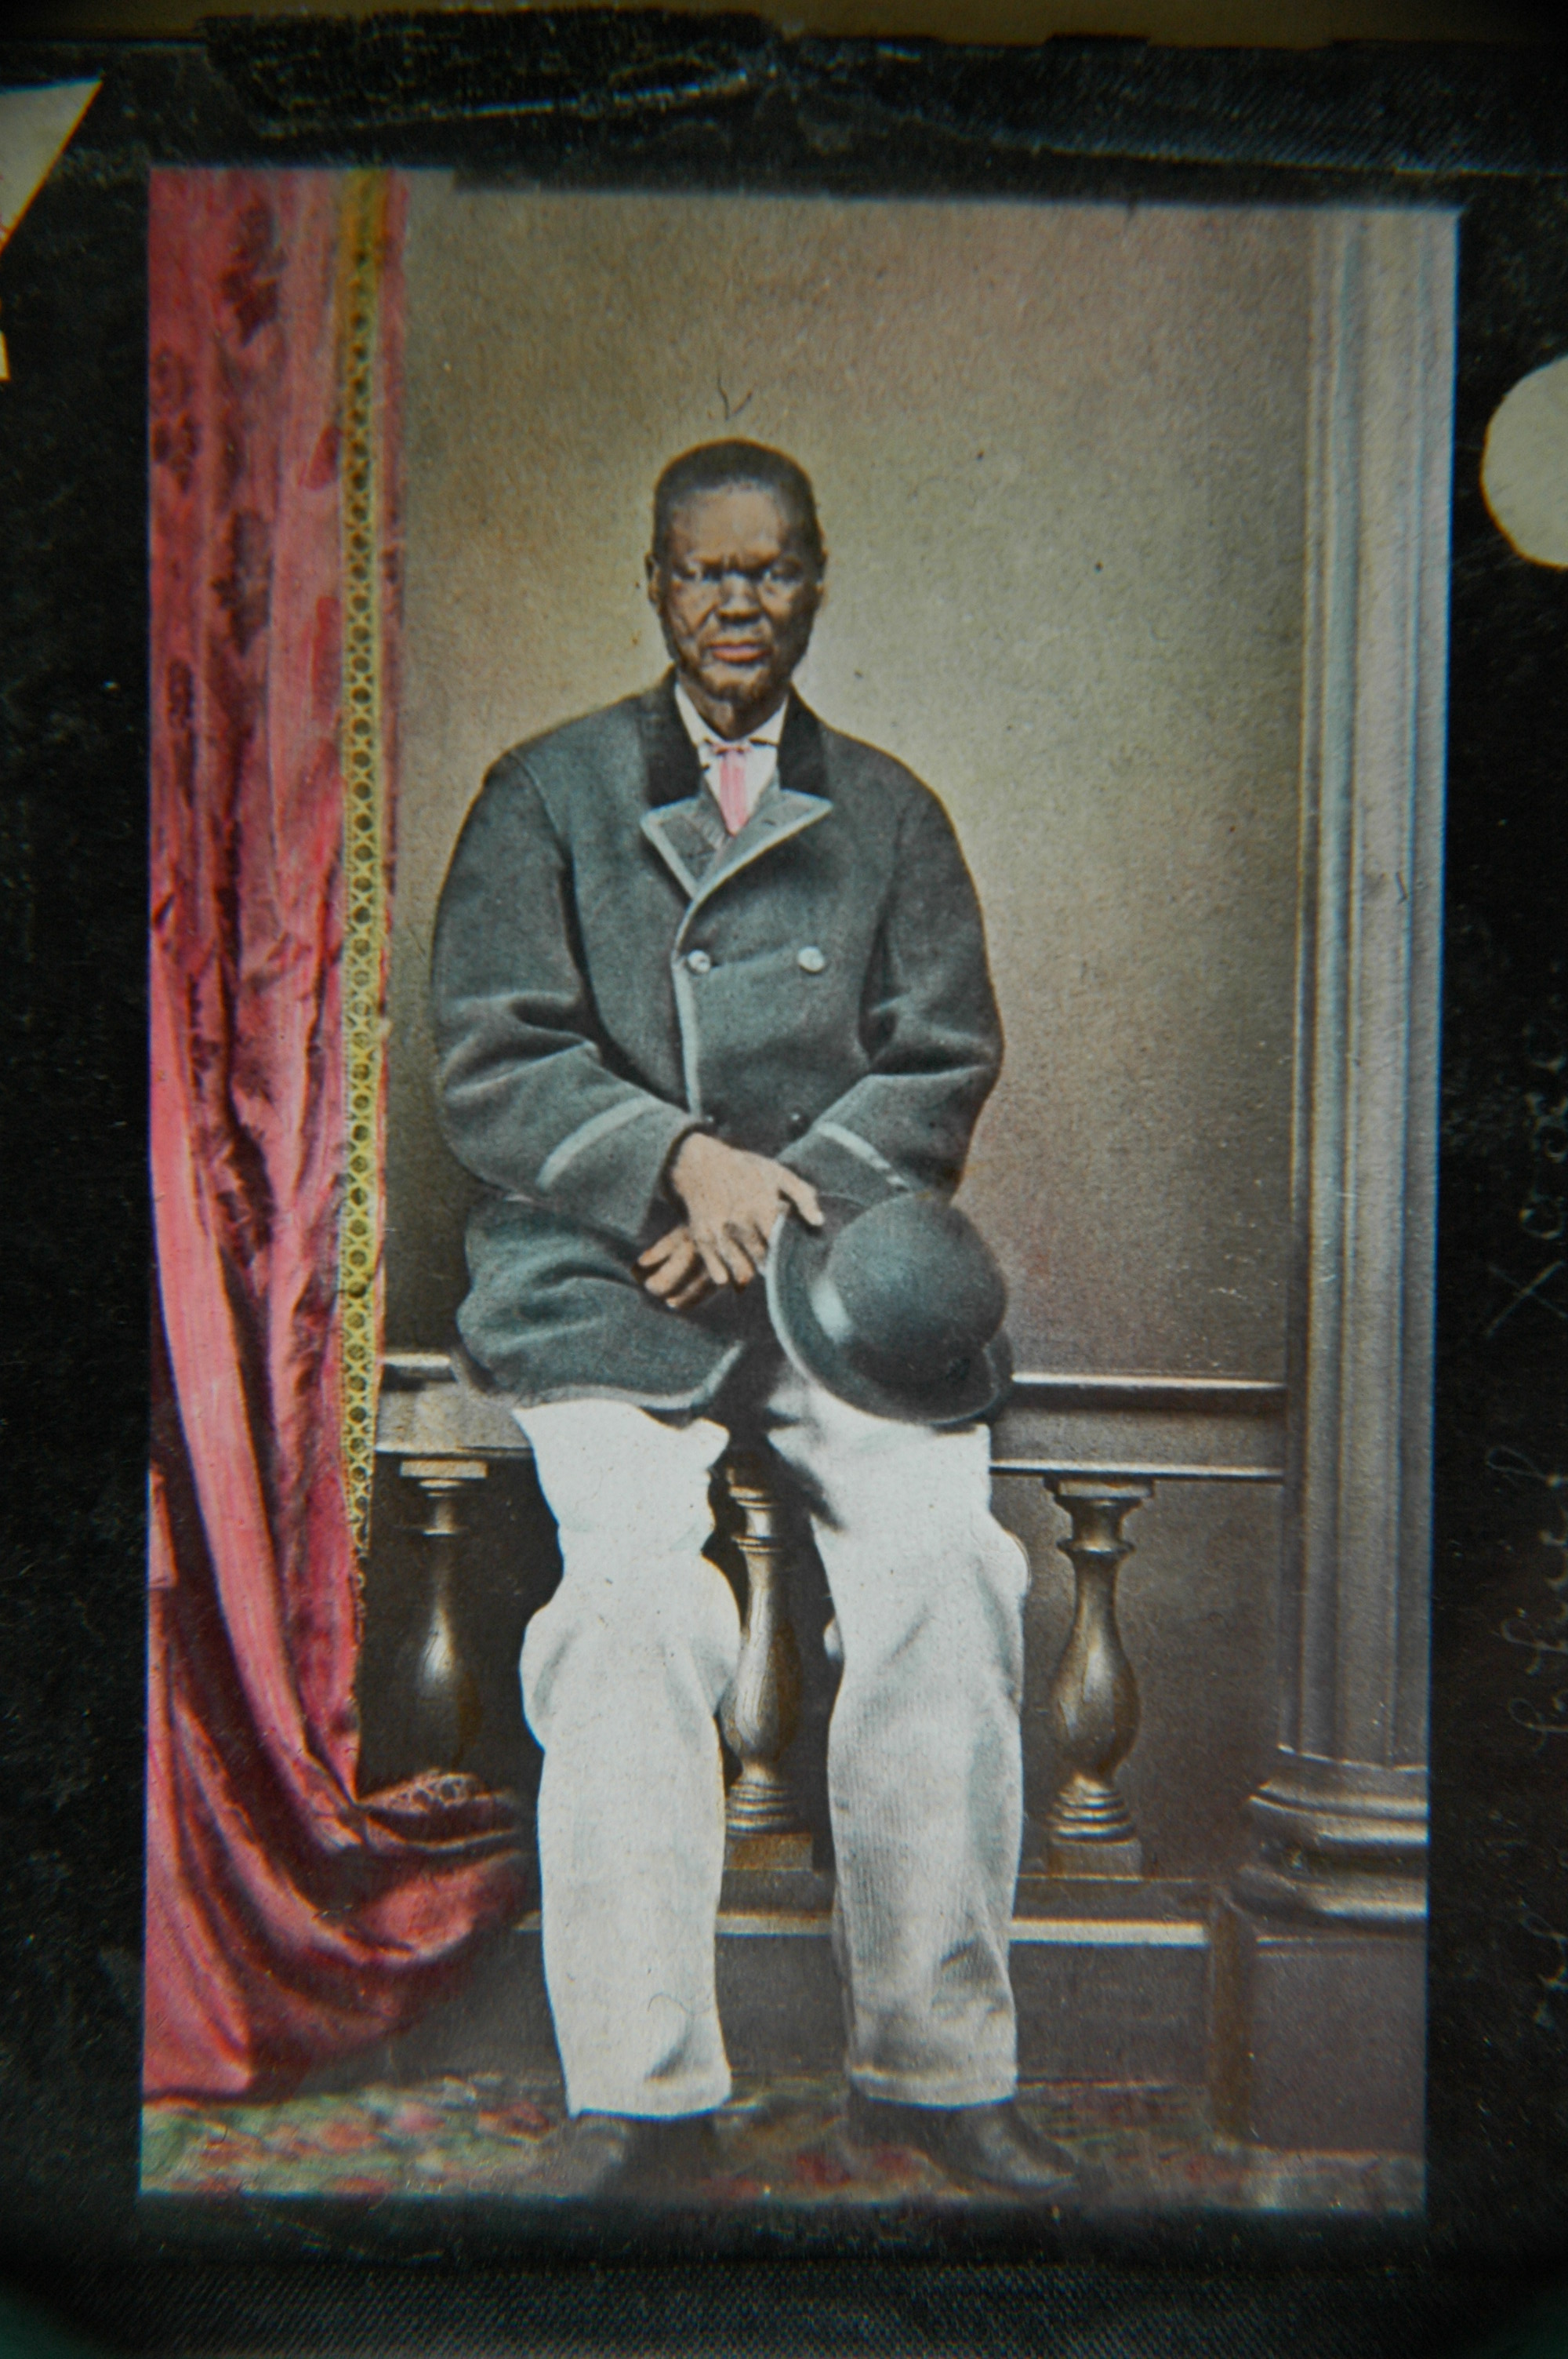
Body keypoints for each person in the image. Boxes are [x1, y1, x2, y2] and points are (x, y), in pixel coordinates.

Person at [431, 439, 1073, 2197]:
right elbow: (491, 1056)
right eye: (705, 570)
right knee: (631, 1608)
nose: (739, 601)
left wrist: (773, 1201)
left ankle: (938, 2073)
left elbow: (940, 1059)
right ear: (655, 584)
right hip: (603, 1270)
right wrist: (674, 1167)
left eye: (772, 569)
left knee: (951, 1573)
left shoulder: (892, 814)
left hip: (841, 1281)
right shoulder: (545, 792)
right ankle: (641, 2097)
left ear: (817, 582)